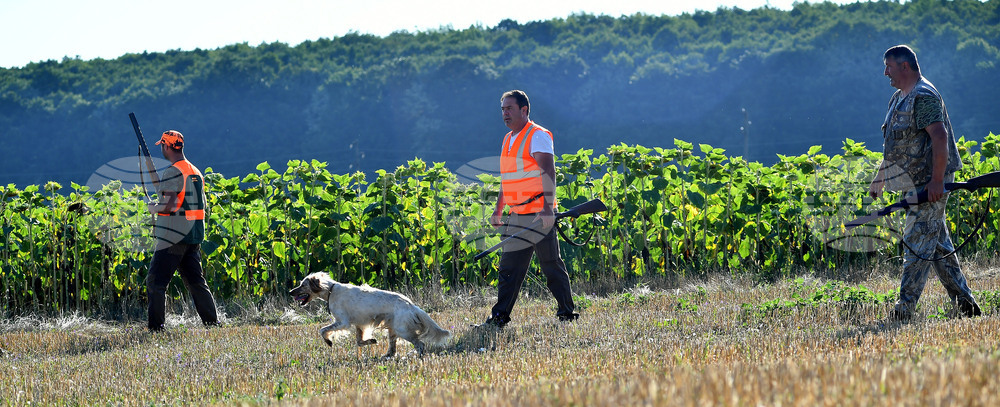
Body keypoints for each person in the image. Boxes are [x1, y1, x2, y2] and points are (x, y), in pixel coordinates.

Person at [868, 45, 981, 321]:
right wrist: (881, 175)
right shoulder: (897, 98)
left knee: (916, 241)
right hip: (915, 182)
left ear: (904, 66)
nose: (885, 73)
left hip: (931, 181)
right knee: (937, 244)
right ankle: (967, 306)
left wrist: (937, 181)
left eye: (889, 67)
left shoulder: (924, 95)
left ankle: (903, 310)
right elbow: (895, 146)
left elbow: (939, 137)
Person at [477, 90, 578, 329]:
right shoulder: (508, 139)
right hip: (517, 215)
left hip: (538, 214)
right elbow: (507, 178)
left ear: (524, 110)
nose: (505, 114)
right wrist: (498, 209)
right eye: (502, 109)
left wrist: (547, 209)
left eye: (509, 108)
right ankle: (498, 318)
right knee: (509, 269)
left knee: (551, 265)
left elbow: (549, 172)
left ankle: (567, 313)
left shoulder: (538, 136)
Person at [145, 130, 220, 331]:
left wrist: (154, 208)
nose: (162, 148)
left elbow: (168, 205)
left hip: (173, 236)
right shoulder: (195, 171)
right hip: (193, 235)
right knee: (196, 282)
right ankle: (213, 324)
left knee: (156, 282)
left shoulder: (173, 171)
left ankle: (156, 329)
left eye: (162, 145)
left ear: (167, 147)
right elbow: (196, 204)